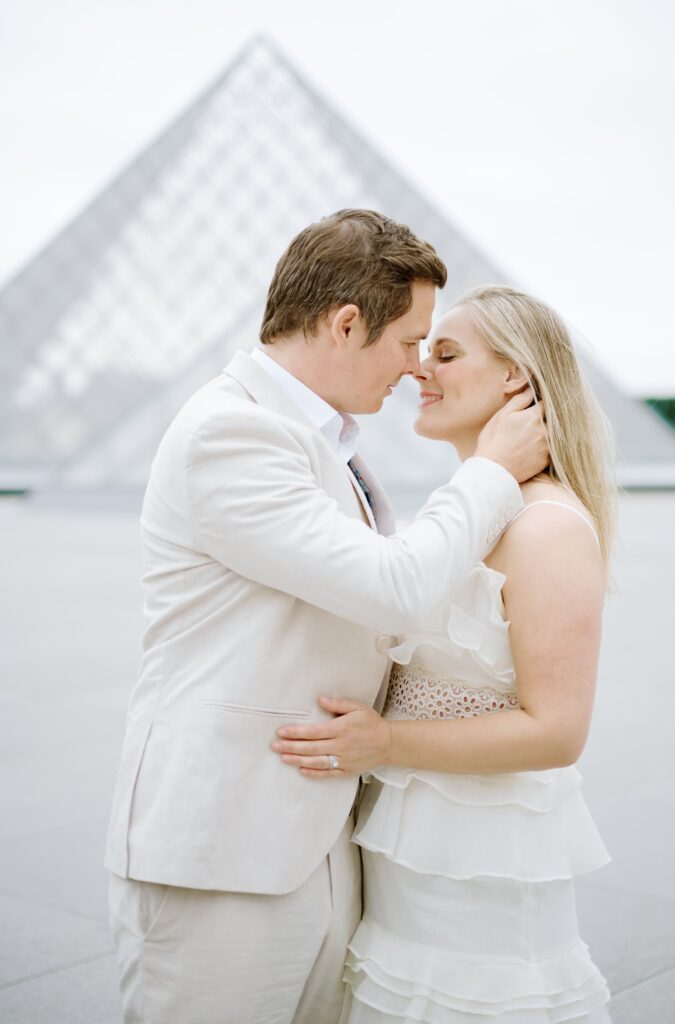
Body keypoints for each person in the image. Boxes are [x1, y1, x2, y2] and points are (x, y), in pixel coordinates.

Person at [105, 212, 549, 1024]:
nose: (416, 366)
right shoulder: (231, 431)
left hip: (316, 842)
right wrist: (490, 474)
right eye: (408, 341)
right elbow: (392, 589)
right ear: (346, 324)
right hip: (223, 856)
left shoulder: (319, 439)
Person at [273, 285, 616, 1023]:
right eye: (422, 351)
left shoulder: (547, 529)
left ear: (515, 377)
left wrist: (384, 741)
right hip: (408, 866)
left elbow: (558, 732)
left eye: (447, 354)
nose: (418, 370)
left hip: (483, 872)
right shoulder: (464, 509)